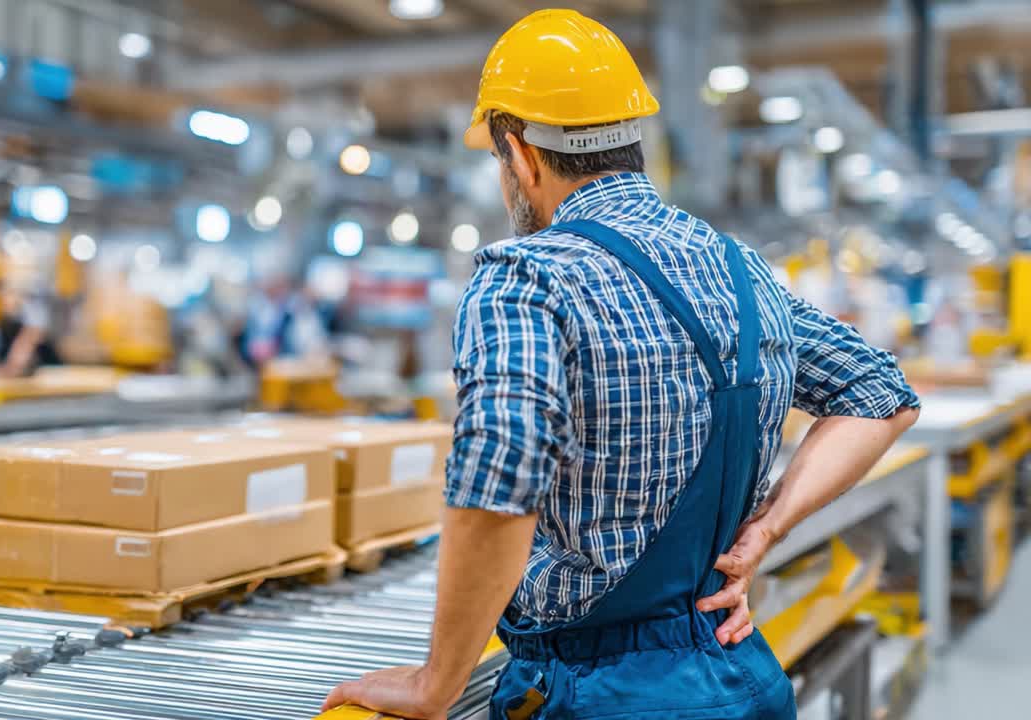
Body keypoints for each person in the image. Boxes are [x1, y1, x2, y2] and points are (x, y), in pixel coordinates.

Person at [323, 10, 920, 720]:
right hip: (736, 672)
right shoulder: (741, 270)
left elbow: (500, 475)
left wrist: (437, 683)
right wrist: (767, 528)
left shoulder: (525, 277)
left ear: (519, 154)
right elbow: (883, 394)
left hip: (593, 694)